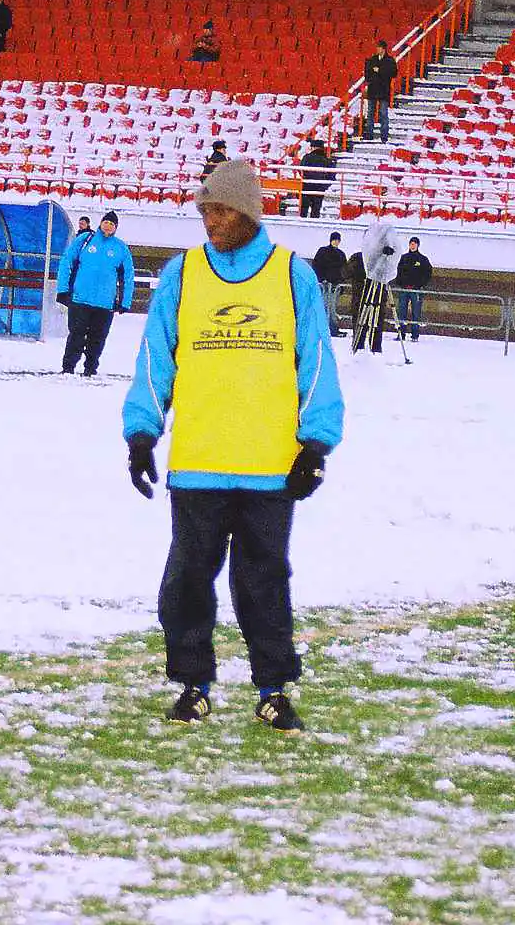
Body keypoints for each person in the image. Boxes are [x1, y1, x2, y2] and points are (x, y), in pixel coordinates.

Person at [123, 160, 343, 732]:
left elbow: (317, 363)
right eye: (205, 211)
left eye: (220, 211)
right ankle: (192, 685)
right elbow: (155, 357)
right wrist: (142, 433)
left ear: (247, 213)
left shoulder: (292, 276)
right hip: (198, 463)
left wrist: (316, 446)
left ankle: (273, 689)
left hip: (270, 468)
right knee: (186, 584)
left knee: (263, 584)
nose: (210, 221)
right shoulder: (183, 274)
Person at [56, 209, 135, 376]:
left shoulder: (120, 247)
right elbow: (67, 261)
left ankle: (90, 370)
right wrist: (62, 289)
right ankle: (68, 368)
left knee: (97, 339)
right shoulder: (85, 240)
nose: (108, 226)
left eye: (112, 224)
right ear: (100, 223)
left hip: (105, 303)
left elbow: (128, 276)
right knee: (76, 335)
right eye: (106, 222)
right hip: (80, 298)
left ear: (115, 228)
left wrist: (125, 301)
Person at [349, 219, 399, 354]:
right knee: (360, 322)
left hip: (378, 295)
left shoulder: (382, 260)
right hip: (361, 297)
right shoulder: (358, 257)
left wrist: (388, 256)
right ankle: (358, 347)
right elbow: (346, 272)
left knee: (377, 322)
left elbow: (390, 274)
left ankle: (375, 348)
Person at [392, 237, 432, 343]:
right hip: (404, 289)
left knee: (416, 312)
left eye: (414, 244)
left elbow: (428, 273)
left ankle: (415, 335)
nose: (412, 246)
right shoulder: (403, 258)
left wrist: (420, 284)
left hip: (416, 290)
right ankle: (401, 333)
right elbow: (398, 271)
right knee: (401, 312)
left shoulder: (423, 259)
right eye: (411, 244)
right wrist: (400, 282)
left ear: (418, 245)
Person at [310, 231, 347, 337]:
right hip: (324, 286)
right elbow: (316, 266)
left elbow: (344, 270)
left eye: (338, 240)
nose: (336, 242)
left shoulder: (341, 254)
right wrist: (321, 279)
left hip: (335, 286)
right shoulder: (323, 251)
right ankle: (322, 328)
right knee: (324, 307)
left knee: (332, 308)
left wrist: (341, 284)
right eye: (334, 240)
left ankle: (332, 328)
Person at [362, 39, 398, 143]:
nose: (377, 49)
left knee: (383, 113)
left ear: (383, 49)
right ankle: (369, 134)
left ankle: (384, 136)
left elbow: (394, 73)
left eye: (379, 47)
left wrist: (380, 71)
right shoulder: (372, 59)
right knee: (370, 113)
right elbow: (367, 74)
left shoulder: (390, 60)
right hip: (373, 89)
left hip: (384, 90)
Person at [297, 139, 333, 219]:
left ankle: (301, 222)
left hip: (306, 186)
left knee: (303, 210)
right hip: (320, 188)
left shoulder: (306, 157)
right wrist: (324, 186)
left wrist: (305, 179)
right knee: (316, 210)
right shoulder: (327, 160)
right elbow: (331, 176)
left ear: (313, 147)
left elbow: (300, 170)